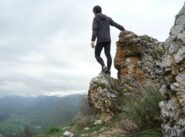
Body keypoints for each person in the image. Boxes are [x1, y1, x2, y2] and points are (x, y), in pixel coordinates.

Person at [91, 5, 125, 75]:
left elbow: (95, 30)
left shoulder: (96, 18)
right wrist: (123, 29)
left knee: (97, 55)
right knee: (108, 54)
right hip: (108, 40)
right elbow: (115, 24)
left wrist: (93, 41)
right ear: (101, 10)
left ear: (94, 12)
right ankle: (108, 71)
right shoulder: (107, 18)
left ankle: (104, 67)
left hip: (100, 40)